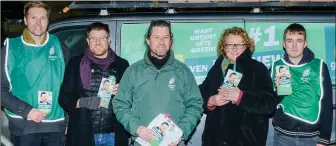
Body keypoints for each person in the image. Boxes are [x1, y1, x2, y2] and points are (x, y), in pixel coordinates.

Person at [112, 20, 203, 146]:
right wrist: (137, 128)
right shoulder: (133, 71)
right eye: (156, 37)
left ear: (171, 41)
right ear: (148, 40)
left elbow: (195, 105)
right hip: (143, 143)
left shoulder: (183, 72)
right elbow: (120, 104)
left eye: (166, 37)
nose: (161, 42)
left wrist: (180, 132)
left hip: (174, 143)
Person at [1, 1, 67, 146]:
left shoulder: (58, 45)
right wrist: (27, 111)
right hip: (25, 126)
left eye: (43, 18)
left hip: (56, 125)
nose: (38, 23)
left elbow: (70, 86)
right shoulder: (12, 47)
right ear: (25, 20)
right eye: (33, 18)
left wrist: (67, 120)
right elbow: (1, 90)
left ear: (48, 21)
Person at [199, 27, 276, 146]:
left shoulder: (257, 69)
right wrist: (211, 100)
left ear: (246, 47)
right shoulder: (216, 69)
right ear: (223, 47)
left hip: (246, 141)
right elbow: (200, 93)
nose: (234, 48)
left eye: (239, 45)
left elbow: (269, 104)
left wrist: (241, 97)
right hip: (215, 141)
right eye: (230, 44)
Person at [58, 22, 130, 146]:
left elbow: (131, 100)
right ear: (87, 40)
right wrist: (83, 102)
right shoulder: (75, 63)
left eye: (102, 38)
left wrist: (122, 93)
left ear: (109, 40)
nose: (98, 42)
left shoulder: (122, 65)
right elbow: (64, 99)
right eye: (93, 39)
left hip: (113, 135)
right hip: (83, 134)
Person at [271, 23, 333, 146]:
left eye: (299, 41)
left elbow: (326, 103)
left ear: (305, 44)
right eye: (290, 41)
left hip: (311, 137)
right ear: (284, 44)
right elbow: (268, 103)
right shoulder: (275, 67)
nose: (294, 46)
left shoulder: (319, 66)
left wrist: (324, 139)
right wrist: (278, 91)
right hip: (282, 136)